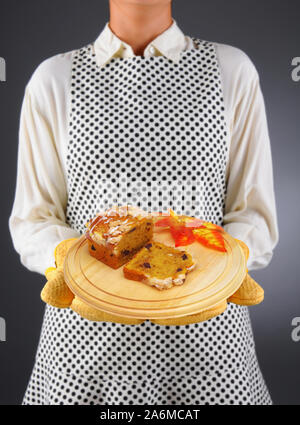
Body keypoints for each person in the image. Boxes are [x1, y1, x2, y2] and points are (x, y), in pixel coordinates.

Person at [8, 0, 279, 405]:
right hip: (86, 343)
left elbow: (253, 213)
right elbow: (34, 217)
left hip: (207, 340)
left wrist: (224, 270)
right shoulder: (54, 79)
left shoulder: (231, 70)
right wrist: (71, 262)